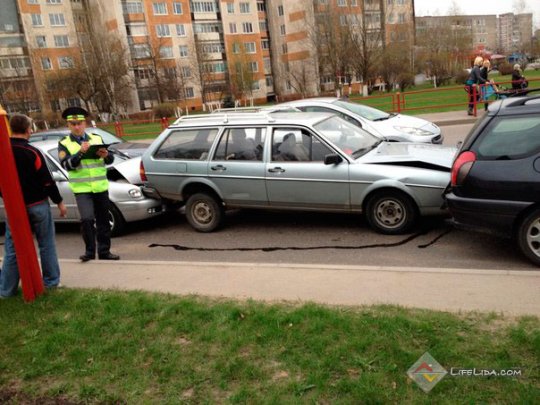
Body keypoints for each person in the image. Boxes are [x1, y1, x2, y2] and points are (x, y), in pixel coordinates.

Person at [0, 114, 67, 297]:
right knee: (46, 244)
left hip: (15, 208)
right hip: (37, 205)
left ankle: (6, 290)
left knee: (13, 249)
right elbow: (47, 181)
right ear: (28, 129)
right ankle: (51, 282)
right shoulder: (32, 152)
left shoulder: (3, 152)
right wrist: (59, 202)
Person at [58, 107, 120, 262]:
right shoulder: (64, 143)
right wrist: (80, 152)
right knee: (86, 219)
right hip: (82, 189)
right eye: (73, 124)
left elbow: (110, 160)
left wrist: (106, 155)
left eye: (79, 123)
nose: (77, 127)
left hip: (100, 187)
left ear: (85, 123)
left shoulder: (96, 138)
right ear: (68, 125)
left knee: (103, 220)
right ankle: (90, 252)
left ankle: (104, 251)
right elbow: (66, 165)